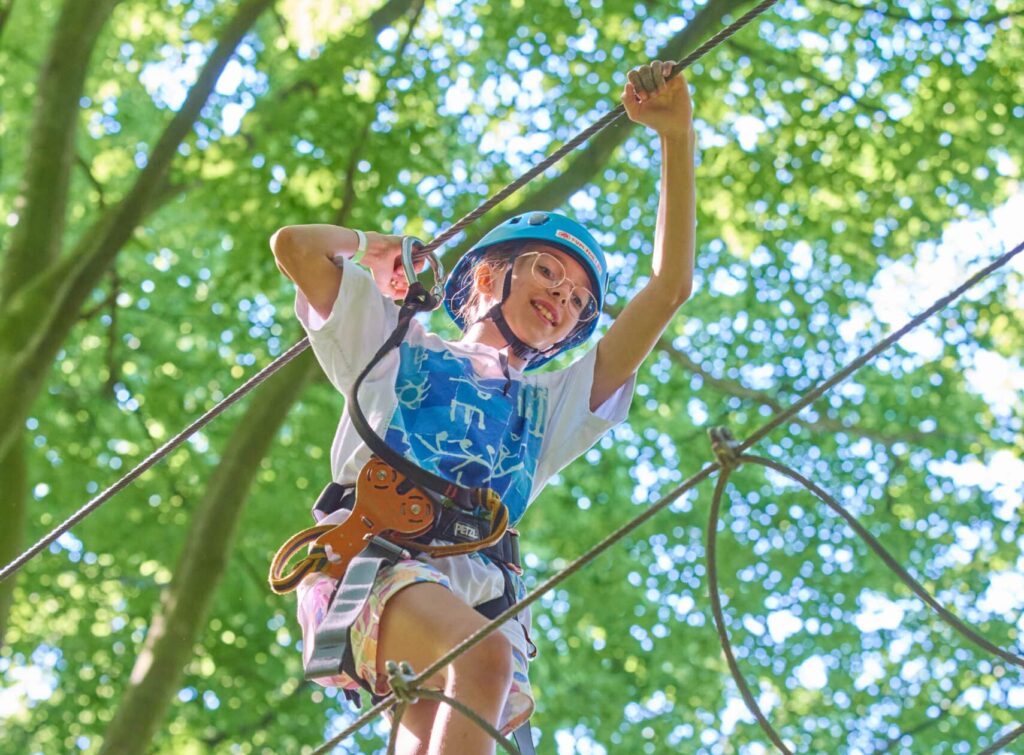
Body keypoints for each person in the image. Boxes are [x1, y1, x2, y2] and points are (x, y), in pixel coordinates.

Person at [271, 60, 695, 755]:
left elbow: (669, 287)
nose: (563, 299)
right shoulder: (395, 344)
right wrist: (379, 251)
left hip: (464, 603)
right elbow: (296, 247)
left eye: (580, 303)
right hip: (360, 570)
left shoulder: (552, 407)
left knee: (464, 714)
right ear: (493, 275)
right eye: (549, 272)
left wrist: (676, 139)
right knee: (486, 658)